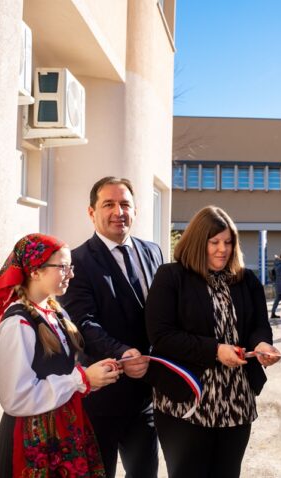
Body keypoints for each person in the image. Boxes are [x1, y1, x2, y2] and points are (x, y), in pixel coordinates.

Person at [145, 206, 279, 477]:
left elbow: (258, 326)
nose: (223, 249)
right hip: (186, 405)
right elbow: (161, 336)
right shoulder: (171, 277)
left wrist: (263, 344)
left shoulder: (246, 279)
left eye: (228, 242)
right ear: (197, 242)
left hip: (236, 404)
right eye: (215, 242)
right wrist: (215, 350)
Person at [0, 234, 121, 477]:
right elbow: (15, 398)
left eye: (71, 267)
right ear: (35, 271)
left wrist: (93, 376)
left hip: (63, 431)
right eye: (62, 267)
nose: (70, 274)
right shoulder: (18, 324)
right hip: (31, 441)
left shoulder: (56, 313)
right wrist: (80, 379)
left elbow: (62, 372)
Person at [59, 176, 163, 477]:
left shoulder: (153, 252)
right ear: (92, 212)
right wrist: (123, 353)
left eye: (125, 204)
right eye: (109, 204)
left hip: (147, 395)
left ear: (135, 210)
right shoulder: (77, 261)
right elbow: (83, 322)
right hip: (102, 395)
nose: (119, 211)